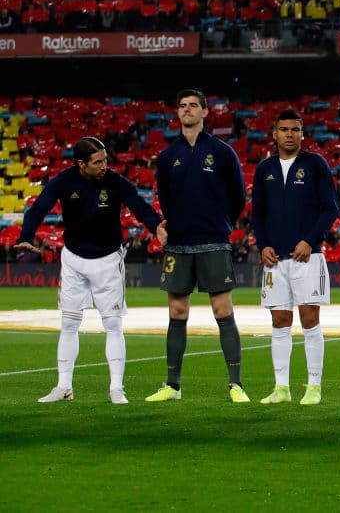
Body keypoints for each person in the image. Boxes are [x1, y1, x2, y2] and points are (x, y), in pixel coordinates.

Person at [18, 136, 166, 404]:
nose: (104, 166)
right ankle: (64, 387)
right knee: (69, 324)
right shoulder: (64, 180)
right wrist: (27, 235)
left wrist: (157, 227)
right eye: (97, 162)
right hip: (73, 259)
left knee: (112, 325)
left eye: (105, 160)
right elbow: (38, 208)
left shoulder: (114, 181)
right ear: (80, 164)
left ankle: (116, 389)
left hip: (108, 261)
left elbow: (139, 206)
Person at [146, 89, 248, 403]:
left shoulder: (222, 152)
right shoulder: (167, 156)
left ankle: (236, 385)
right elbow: (164, 197)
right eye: (183, 106)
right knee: (177, 311)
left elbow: (238, 197)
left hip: (214, 241)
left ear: (205, 112)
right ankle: (172, 386)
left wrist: (220, 224)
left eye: (193, 106)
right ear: (177, 113)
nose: (187, 110)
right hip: (178, 244)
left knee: (222, 309)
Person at [252, 109, 339, 406]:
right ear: (274, 133)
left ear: (302, 134)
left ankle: (313, 387)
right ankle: (281, 388)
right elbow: (258, 214)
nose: (289, 134)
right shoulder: (264, 169)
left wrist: (309, 240)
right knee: (279, 320)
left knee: (310, 318)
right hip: (275, 259)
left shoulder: (316, 164)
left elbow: (331, 208)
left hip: (307, 257)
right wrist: (262, 245)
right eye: (284, 129)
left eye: (295, 129)